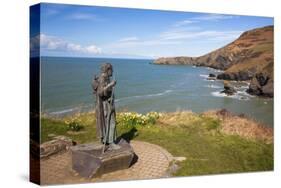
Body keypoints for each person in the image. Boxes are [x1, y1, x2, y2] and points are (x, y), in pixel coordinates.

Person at [92, 63, 120, 150]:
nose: (113, 71)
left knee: (107, 122)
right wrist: (111, 85)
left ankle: (105, 140)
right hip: (106, 105)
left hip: (106, 104)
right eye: (111, 69)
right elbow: (101, 92)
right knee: (112, 122)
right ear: (108, 70)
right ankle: (111, 142)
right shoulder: (103, 78)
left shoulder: (104, 78)